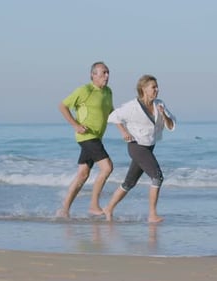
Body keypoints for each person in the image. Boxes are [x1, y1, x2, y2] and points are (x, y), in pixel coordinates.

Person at [103, 74, 176, 223]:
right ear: (143, 89)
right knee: (157, 176)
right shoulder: (132, 106)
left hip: (149, 147)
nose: (157, 89)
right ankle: (152, 214)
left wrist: (163, 115)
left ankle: (108, 208)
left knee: (129, 183)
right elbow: (113, 116)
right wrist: (124, 132)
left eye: (157, 86)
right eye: (153, 87)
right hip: (136, 147)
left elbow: (171, 125)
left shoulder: (159, 104)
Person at [57, 61, 114, 218]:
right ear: (93, 75)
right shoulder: (84, 90)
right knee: (107, 167)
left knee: (83, 174)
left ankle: (64, 210)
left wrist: (126, 127)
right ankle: (93, 205)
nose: (107, 76)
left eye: (108, 72)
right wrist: (75, 125)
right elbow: (62, 106)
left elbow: (111, 113)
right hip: (86, 136)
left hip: (96, 137)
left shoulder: (108, 92)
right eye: (103, 72)